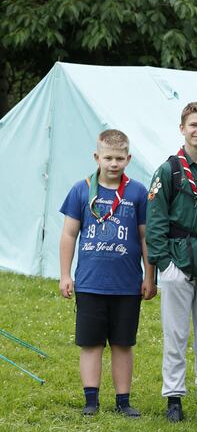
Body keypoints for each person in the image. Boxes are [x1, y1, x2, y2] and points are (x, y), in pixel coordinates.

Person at [59, 129, 156, 416]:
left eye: (119, 158)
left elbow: (145, 238)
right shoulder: (80, 189)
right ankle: (91, 400)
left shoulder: (138, 192)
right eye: (108, 158)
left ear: (128, 159)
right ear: (96, 157)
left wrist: (150, 276)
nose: (113, 163)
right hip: (90, 283)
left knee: (123, 343)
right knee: (91, 343)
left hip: (127, 285)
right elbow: (68, 235)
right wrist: (66, 275)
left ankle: (123, 401)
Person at [146, 101, 197, 422]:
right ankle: (174, 397)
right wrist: (164, 262)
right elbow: (155, 219)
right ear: (182, 128)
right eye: (193, 125)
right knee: (176, 334)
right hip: (177, 260)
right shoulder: (168, 170)